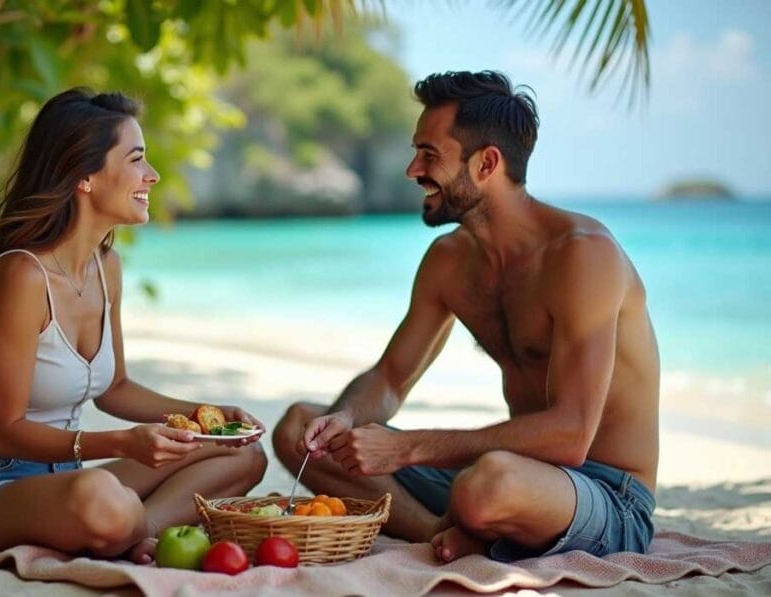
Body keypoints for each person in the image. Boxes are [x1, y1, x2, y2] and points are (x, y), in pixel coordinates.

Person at [272, 71, 659, 563]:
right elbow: (390, 379)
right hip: (509, 473)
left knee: (489, 484)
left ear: (486, 164)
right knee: (298, 429)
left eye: (429, 154)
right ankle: (438, 531)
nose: (413, 169)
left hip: (606, 493)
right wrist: (345, 418)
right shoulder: (449, 261)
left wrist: (409, 448)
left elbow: (571, 435)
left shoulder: (583, 258)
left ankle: (472, 521)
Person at [0, 88, 266, 563]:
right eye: (136, 160)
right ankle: (129, 527)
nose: (152, 175)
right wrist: (121, 443)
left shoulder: (105, 266)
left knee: (241, 456)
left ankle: (138, 528)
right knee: (97, 496)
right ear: (84, 177)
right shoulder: (21, 276)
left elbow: (116, 388)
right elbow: (4, 431)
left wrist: (207, 418)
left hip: (66, 478)